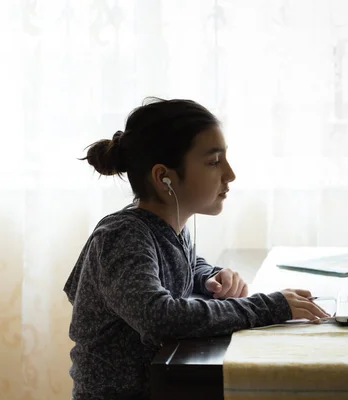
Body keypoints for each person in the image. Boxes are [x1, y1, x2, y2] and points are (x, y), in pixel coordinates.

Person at [63, 97, 329, 400]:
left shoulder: (164, 228)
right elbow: (160, 318)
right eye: (214, 162)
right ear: (164, 177)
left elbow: (181, 264)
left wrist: (208, 277)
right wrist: (270, 307)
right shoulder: (122, 237)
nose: (230, 174)